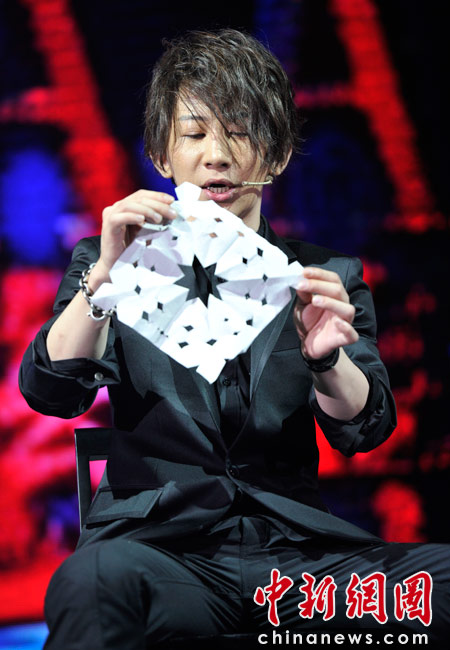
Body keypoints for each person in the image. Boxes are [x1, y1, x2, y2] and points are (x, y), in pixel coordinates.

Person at [19, 29, 449, 649]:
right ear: (161, 155)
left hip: (298, 567)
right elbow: (50, 391)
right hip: (164, 555)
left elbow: (366, 427)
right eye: (194, 134)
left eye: (240, 133)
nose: (216, 156)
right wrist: (104, 284)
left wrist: (327, 361)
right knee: (91, 581)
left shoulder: (323, 275)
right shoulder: (111, 263)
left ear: (277, 157)